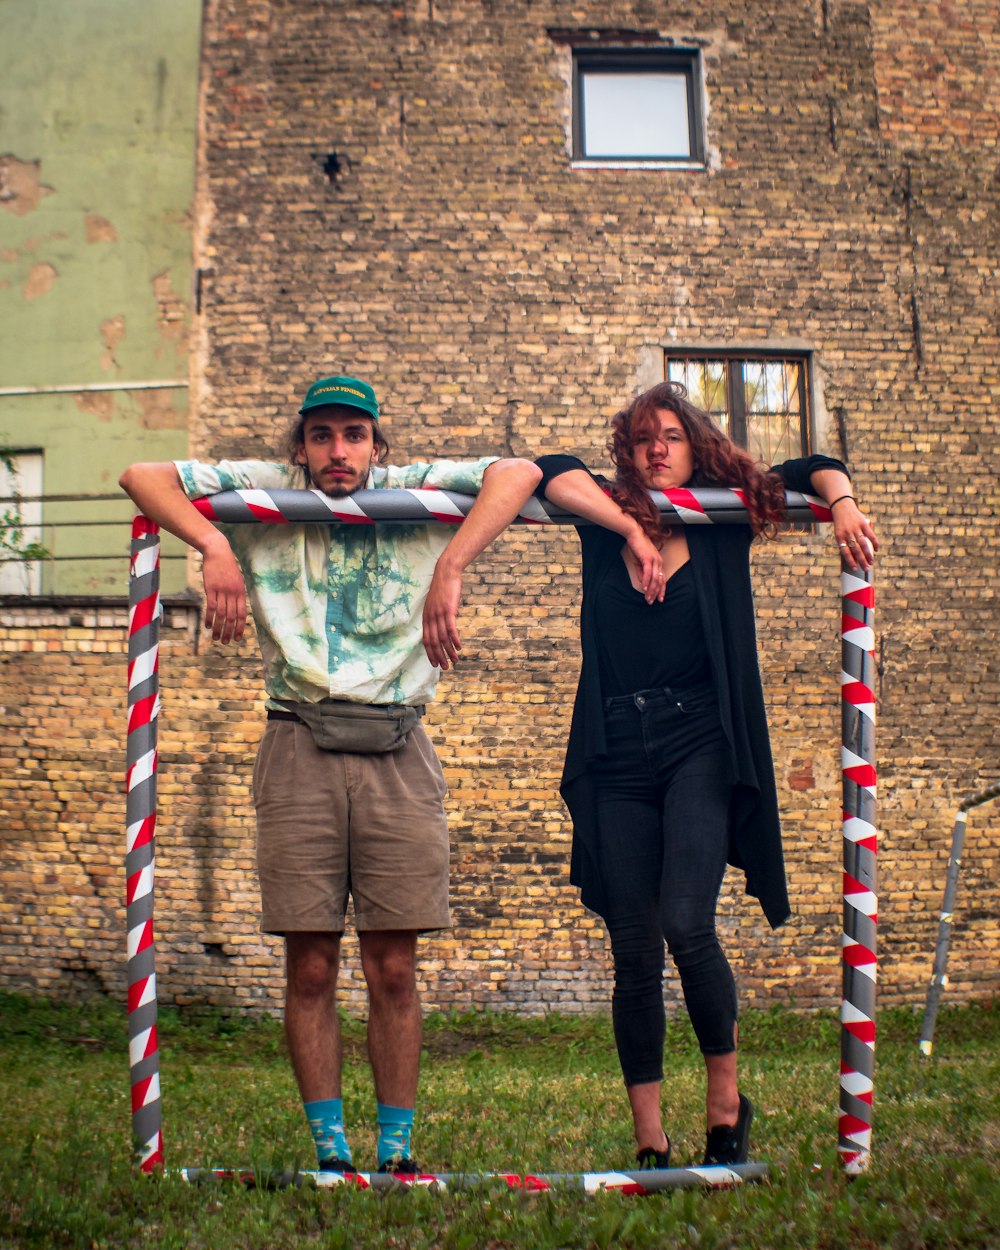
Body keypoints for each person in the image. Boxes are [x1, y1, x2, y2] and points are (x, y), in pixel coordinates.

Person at [120, 374, 542, 1175]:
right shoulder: (271, 492)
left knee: (393, 963)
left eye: (354, 435)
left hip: (398, 744)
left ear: (378, 443)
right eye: (322, 436)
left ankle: (396, 1151)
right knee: (309, 960)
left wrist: (453, 562)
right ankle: (329, 1150)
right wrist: (214, 543)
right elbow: (142, 477)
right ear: (302, 446)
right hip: (297, 741)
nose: (338, 451)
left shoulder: (412, 491)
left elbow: (519, 473)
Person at [533, 380, 877, 1169]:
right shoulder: (600, 521)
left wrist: (846, 504)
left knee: (686, 922)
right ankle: (650, 1141)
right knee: (632, 946)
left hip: (699, 743)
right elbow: (542, 465)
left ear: (697, 446)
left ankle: (725, 1109)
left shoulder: (722, 518)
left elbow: (817, 465)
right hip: (616, 749)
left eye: (675, 436)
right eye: (646, 437)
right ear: (629, 448)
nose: (659, 448)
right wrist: (626, 523)